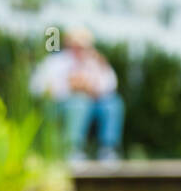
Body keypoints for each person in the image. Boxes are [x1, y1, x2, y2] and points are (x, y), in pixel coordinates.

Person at [29, 28, 124, 162]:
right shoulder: (55, 62)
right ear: (68, 44)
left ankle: (107, 149)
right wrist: (69, 88)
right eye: (75, 44)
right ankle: (73, 149)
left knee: (113, 104)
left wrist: (91, 88)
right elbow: (36, 87)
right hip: (62, 105)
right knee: (79, 103)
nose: (79, 49)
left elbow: (110, 85)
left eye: (83, 45)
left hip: (93, 105)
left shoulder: (96, 61)